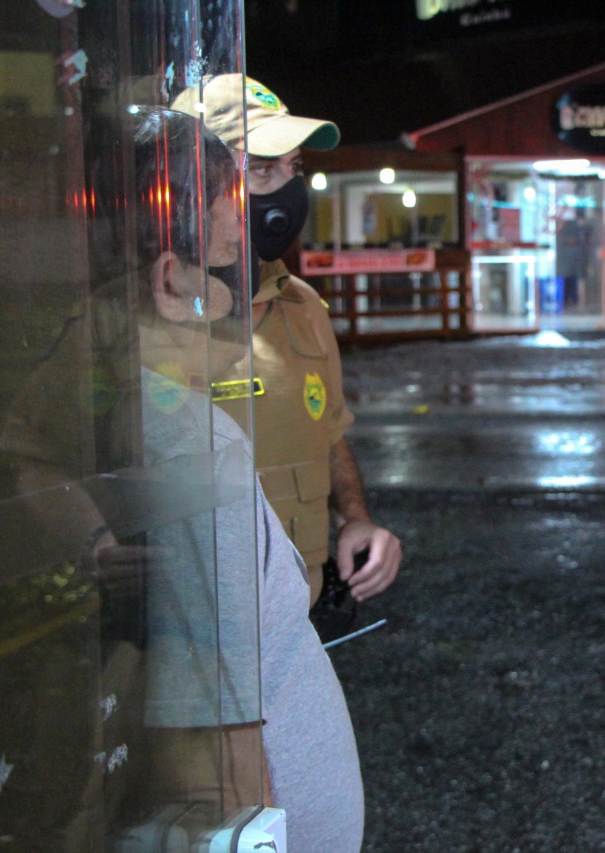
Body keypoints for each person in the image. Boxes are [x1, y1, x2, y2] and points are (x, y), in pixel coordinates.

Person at [0, 108, 365, 850]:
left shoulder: (195, 383)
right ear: (172, 280)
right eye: (232, 264)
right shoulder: (190, 447)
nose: (247, 280)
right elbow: (217, 763)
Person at [171, 74, 401, 610]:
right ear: (191, 182)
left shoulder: (301, 304)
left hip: (297, 622)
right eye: (261, 169)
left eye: (294, 169)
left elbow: (328, 434)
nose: (288, 191)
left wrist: (357, 520)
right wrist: (97, 545)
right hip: (187, 636)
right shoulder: (135, 314)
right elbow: (36, 462)